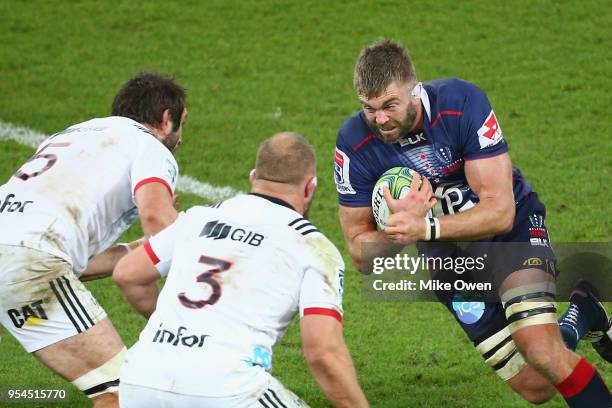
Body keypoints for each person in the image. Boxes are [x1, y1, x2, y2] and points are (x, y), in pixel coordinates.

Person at [334, 39, 611, 406]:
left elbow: (500, 211)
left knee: (541, 349)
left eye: (389, 105)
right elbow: (360, 254)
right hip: (449, 258)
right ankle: (584, 310)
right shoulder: (353, 144)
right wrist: (398, 229)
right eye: (369, 109)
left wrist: (425, 227)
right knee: (536, 387)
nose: (380, 119)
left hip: (510, 237)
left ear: (414, 90)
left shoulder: (461, 105)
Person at [114, 132, 369, 408]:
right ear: (310, 188)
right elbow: (323, 353)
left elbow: (128, 274)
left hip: (140, 380)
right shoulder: (315, 247)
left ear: (252, 177)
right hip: (225, 388)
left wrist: (185, 331)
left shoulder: (198, 217)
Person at [0, 72, 187, 407]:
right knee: (121, 393)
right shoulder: (149, 146)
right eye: (182, 124)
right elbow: (157, 217)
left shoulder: (73, 135)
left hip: (20, 253)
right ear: (165, 119)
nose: (181, 139)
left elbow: (70, 261)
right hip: (27, 260)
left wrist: (139, 250)